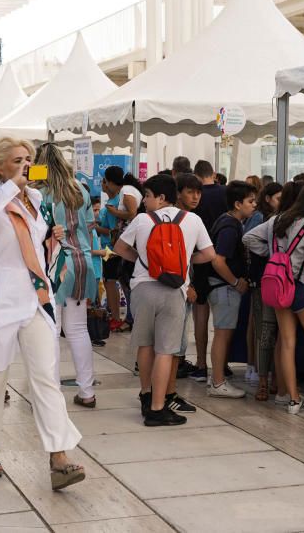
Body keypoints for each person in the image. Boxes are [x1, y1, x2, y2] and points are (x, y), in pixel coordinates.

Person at [0, 138, 85, 489]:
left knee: (46, 376)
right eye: (17, 160)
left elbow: (33, 244)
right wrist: (13, 185)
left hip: (33, 296)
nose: (26, 164)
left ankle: (59, 457)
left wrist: (49, 238)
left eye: (28, 159)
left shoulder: (37, 200)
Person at [114, 173, 215, 426]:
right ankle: (158, 409)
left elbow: (119, 249)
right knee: (165, 350)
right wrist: (185, 261)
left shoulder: (141, 220)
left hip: (142, 288)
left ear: (161, 198)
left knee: (146, 346)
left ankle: (146, 396)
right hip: (174, 290)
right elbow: (209, 253)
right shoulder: (192, 220)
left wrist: (143, 258)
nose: (144, 201)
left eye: (147, 196)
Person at [243, 181, 304, 414]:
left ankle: (292, 399)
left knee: (286, 343)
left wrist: (274, 257)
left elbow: (247, 238)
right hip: (300, 286)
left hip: (277, 285)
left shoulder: (276, 220)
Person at [33, 144, 98, 408]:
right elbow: (90, 226)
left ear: (39, 164)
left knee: (51, 330)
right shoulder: (80, 189)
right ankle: (87, 391)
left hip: (53, 264)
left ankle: (51, 392)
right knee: (78, 330)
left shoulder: (38, 193)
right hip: (83, 262)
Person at [204, 181, 257, 398]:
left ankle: (217, 378)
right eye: (250, 201)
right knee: (222, 335)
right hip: (224, 287)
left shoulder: (230, 222)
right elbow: (218, 260)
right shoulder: (229, 226)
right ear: (237, 204)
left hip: (223, 287)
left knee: (223, 333)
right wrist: (235, 282)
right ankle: (218, 382)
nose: (254, 205)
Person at [189, 160, 228, 382]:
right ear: (213, 173)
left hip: (201, 259)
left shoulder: (196, 196)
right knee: (224, 318)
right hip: (225, 259)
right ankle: (223, 363)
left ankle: (202, 364)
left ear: (196, 175)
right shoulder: (226, 192)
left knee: (200, 314)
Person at [243, 180, 283, 395]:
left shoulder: (273, 219)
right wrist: (272, 254)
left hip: (267, 280)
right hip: (268, 281)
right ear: (268, 199)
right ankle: (265, 379)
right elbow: (247, 239)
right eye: (278, 198)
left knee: (265, 331)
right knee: (267, 331)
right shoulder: (267, 219)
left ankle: (264, 380)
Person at [100, 165, 142, 332]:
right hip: (121, 244)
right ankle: (124, 317)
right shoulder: (121, 195)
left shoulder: (123, 194)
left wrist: (115, 212)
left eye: (104, 182)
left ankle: (122, 318)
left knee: (115, 281)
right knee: (119, 281)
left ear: (109, 182)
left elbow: (131, 214)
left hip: (118, 246)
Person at [173, 173, 203, 382]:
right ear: (178, 193)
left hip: (173, 283)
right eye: (190, 192)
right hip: (177, 286)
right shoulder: (189, 220)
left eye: (198, 192)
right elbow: (208, 254)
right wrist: (188, 285)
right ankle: (168, 390)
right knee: (175, 338)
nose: (195, 197)